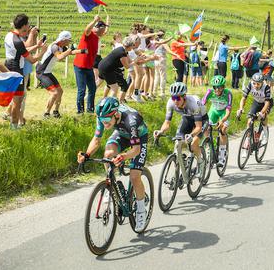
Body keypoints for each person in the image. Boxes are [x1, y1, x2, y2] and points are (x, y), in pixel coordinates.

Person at [77, 97, 149, 230]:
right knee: (108, 155)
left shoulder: (131, 120)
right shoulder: (103, 116)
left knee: (134, 176)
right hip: (121, 134)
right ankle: (111, 183)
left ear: (115, 114)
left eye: (106, 120)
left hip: (139, 138)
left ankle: (141, 211)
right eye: (101, 120)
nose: (104, 123)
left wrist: (123, 156)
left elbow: (136, 150)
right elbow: (96, 140)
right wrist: (86, 155)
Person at [154, 82, 208, 175]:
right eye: (173, 98)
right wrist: (161, 131)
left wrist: (191, 135)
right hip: (187, 118)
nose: (175, 101)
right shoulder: (171, 103)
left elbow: (198, 127)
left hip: (202, 120)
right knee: (177, 142)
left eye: (178, 98)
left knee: (193, 143)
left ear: (184, 97)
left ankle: (200, 162)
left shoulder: (193, 103)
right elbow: (167, 123)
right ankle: (182, 162)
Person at [5, 14, 47, 128]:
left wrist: (36, 46)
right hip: (16, 70)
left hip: (10, 65)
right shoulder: (18, 41)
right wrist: (42, 51)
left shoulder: (10, 35)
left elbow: (24, 48)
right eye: (28, 24)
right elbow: (32, 60)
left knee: (17, 99)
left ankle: (14, 124)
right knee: (17, 100)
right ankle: (14, 127)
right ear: (23, 25)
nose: (29, 26)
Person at [36, 31, 84, 119]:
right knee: (54, 93)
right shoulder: (54, 46)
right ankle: (46, 113)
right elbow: (59, 57)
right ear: (63, 39)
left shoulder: (61, 46)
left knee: (60, 91)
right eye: (68, 40)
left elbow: (71, 52)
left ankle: (56, 112)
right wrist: (70, 49)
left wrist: (82, 51)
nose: (69, 42)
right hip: (42, 72)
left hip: (48, 72)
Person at [74, 15, 109, 114]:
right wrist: (94, 20)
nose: (104, 30)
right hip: (80, 66)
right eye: (103, 27)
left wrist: (108, 20)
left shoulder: (97, 37)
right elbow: (87, 29)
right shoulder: (89, 35)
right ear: (97, 28)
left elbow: (105, 31)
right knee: (82, 90)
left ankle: (90, 110)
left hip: (89, 67)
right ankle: (80, 111)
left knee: (92, 88)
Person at [201, 75, 233, 167]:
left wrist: (223, 120)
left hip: (224, 112)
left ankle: (222, 156)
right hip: (214, 111)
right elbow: (202, 103)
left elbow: (228, 110)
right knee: (206, 128)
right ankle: (209, 148)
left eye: (219, 87)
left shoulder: (228, 93)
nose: (217, 90)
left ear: (223, 87)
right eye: (215, 87)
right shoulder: (210, 92)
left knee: (222, 130)